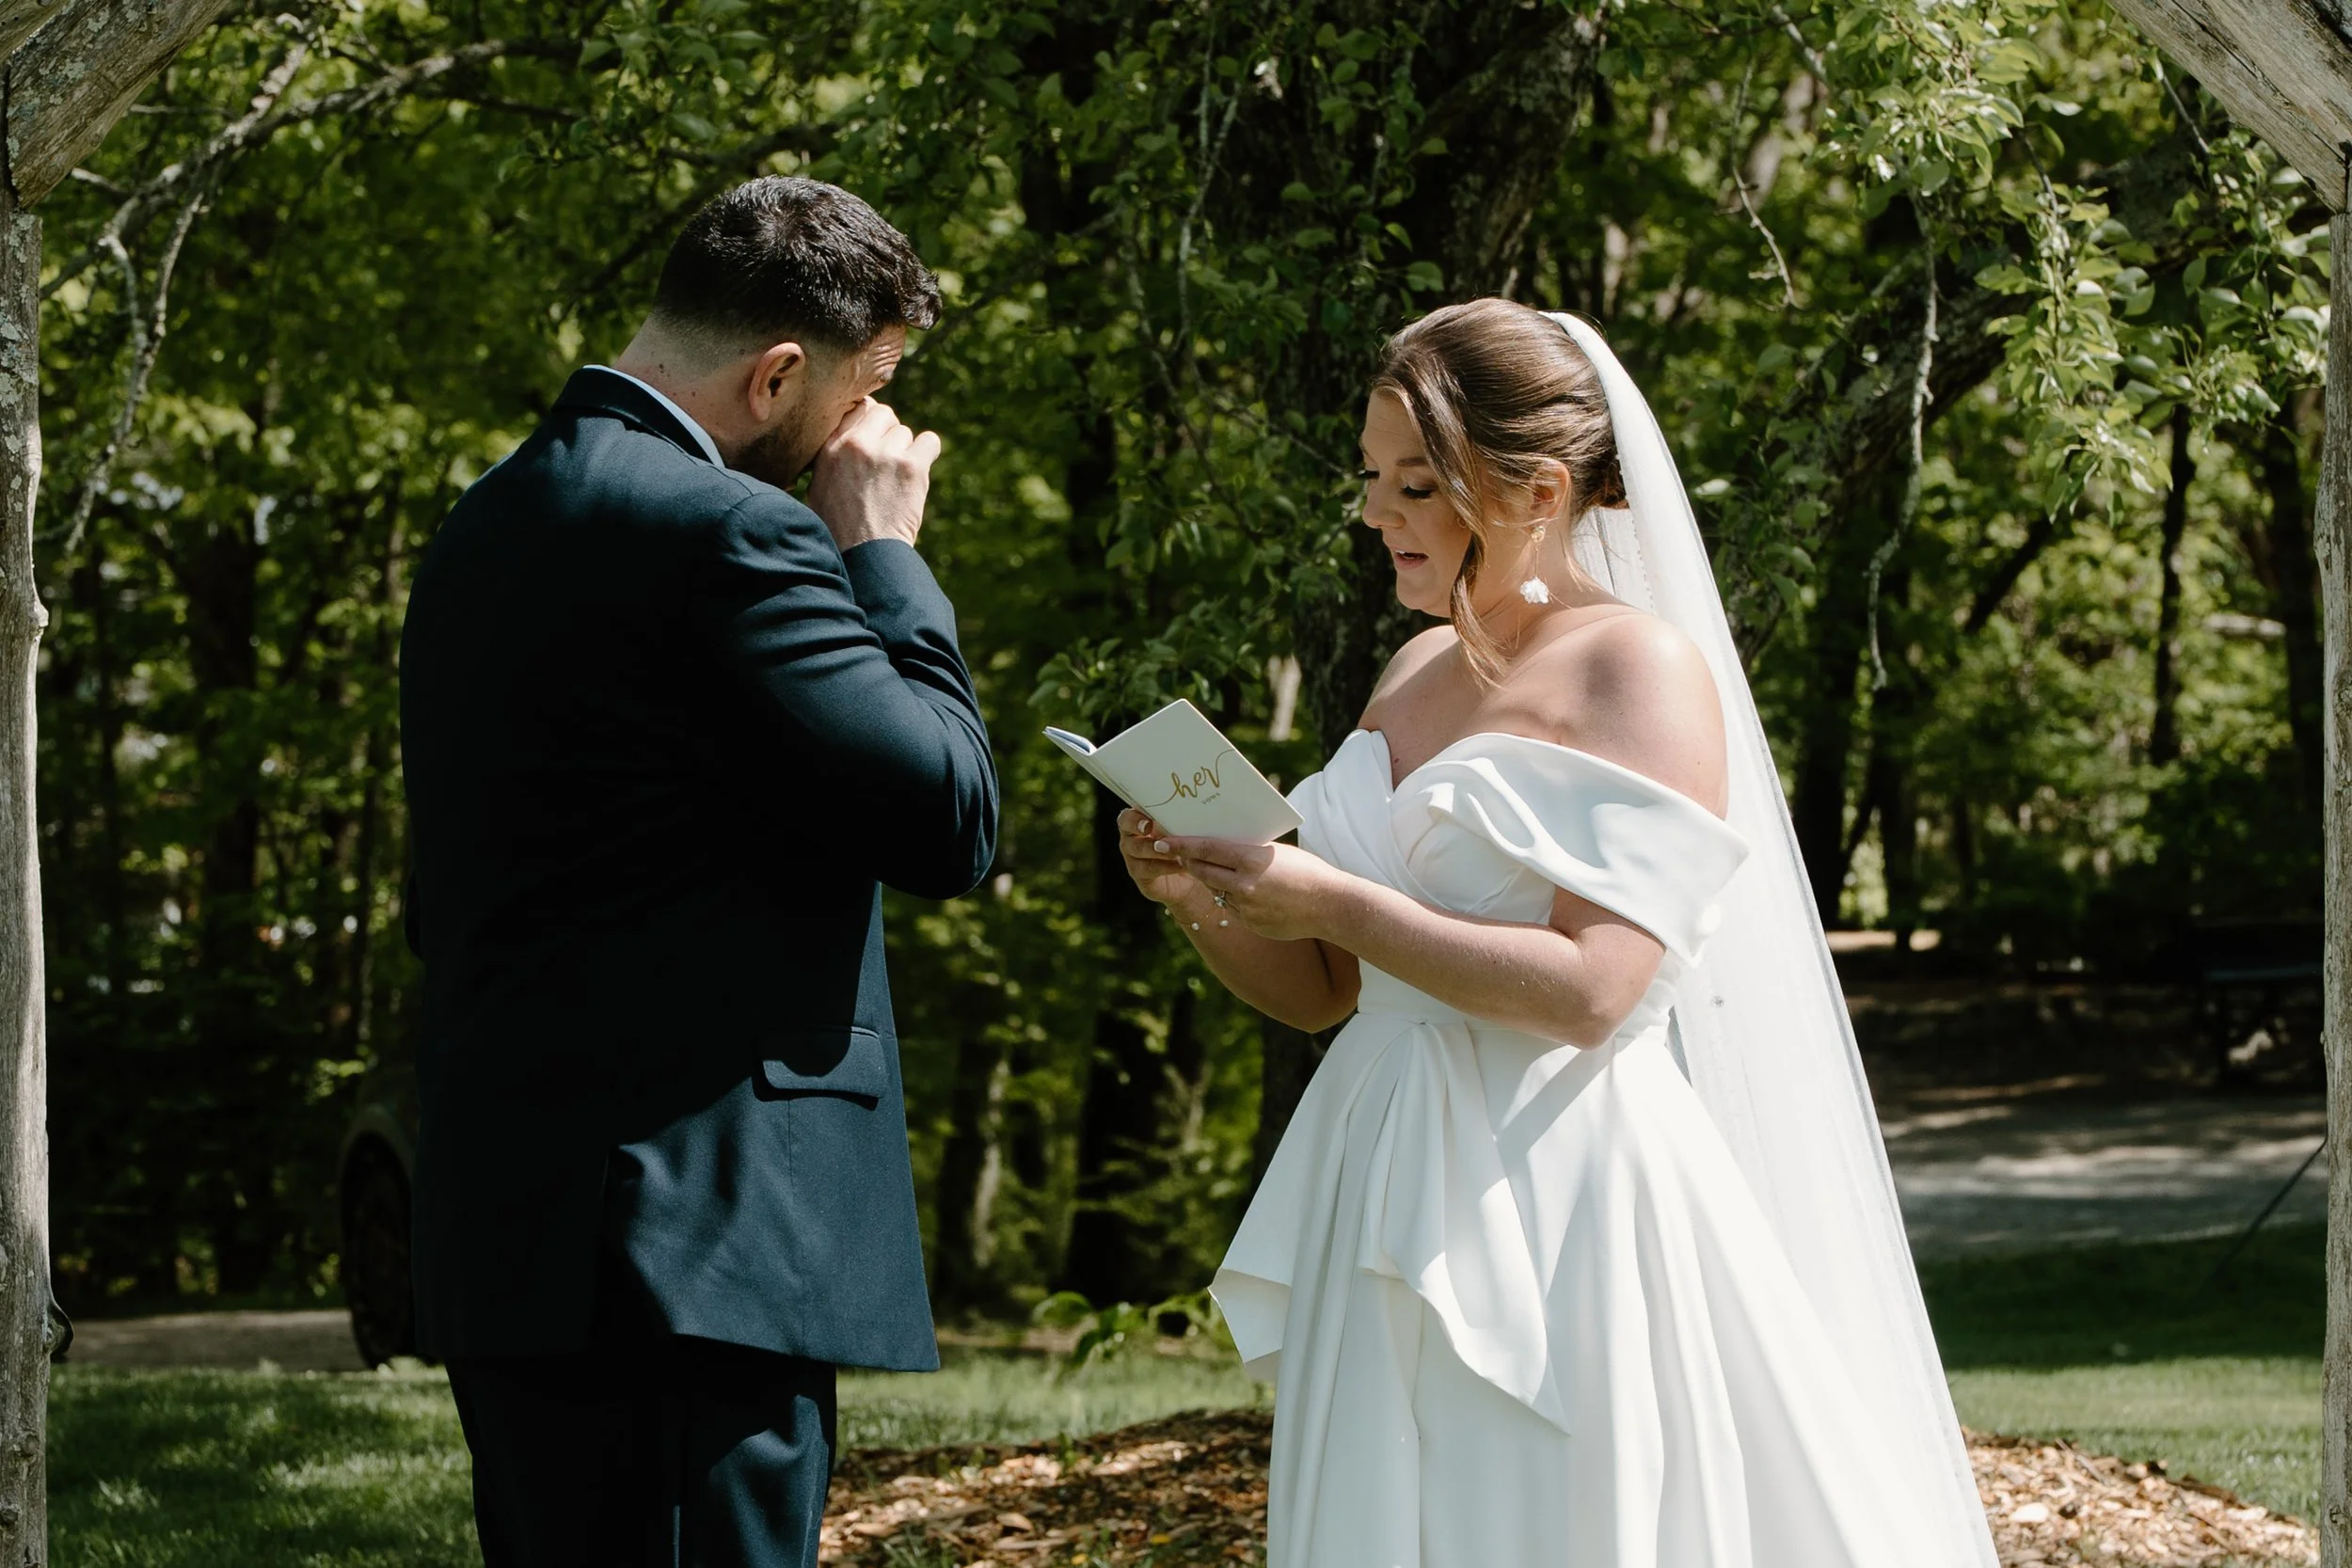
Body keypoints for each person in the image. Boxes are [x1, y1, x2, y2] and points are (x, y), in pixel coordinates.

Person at [1119, 299, 1996, 1566]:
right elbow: (1323, 990)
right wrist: (1197, 893)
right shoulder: (1410, 672)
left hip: (1556, 1185)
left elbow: (1598, 986)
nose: (1376, 513)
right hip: (1378, 1165)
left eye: (1415, 482)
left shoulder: (1637, 669)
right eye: (1372, 479)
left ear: (1534, 488)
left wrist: (1333, 897)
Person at [398, 176, 997, 1568]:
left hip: (520, 1239)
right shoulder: (738, 532)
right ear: (780, 371)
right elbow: (948, 813)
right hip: (696, 1253)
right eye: (870, 387)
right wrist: (887, 555)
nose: (873, 430)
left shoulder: (483, 524)